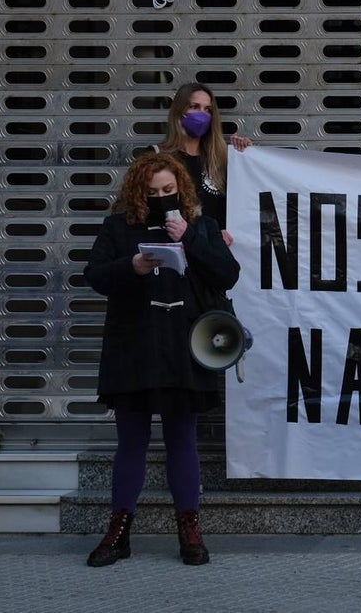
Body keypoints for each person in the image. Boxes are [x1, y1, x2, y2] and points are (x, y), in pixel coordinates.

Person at [83, 152, 240, 567]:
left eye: (168, 190)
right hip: (134, 345)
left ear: (181, 189)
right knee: (131, 442)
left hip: (183, 345)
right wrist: (132, 265)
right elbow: (94, 275)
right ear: (138, 192)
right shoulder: (117, 228)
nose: (160, 197)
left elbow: (228, 274)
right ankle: (118, 532)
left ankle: (189, 528)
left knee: (181, 440)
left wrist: (189, 237)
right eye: (152, 192)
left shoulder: (201, 226)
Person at [153, 82, 252, 245]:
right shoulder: (157, 156)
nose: (202, 114)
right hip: (175, 254)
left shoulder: (223, 159)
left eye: (207, 110)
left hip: (215, 257)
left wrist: (247, 157)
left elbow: (247, 204)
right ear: (179, 111)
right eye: (194, 106)